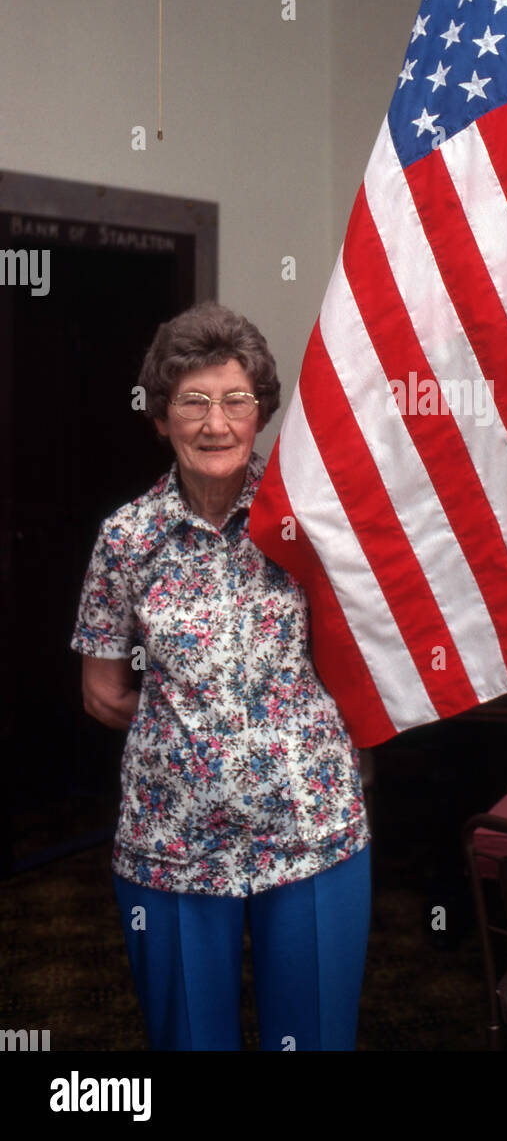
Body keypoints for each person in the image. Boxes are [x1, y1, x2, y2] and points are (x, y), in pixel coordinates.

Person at [71, 301, 371, 1051]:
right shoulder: (127, 537)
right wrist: (191, 735)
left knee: (314, 1039)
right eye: (193, 402)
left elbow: (371, 650)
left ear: (261, 412)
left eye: (236, 401)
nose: (216, 423)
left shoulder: (311, 520)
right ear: (161, 416)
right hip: (169, 841)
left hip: (311, 830)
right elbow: (103, 688)